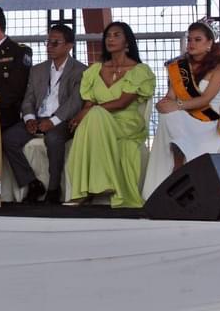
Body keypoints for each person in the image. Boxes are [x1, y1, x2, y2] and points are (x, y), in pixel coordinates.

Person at [65, 21, 155, 208]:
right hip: (96, 121)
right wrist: (86, 112)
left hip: (125, 121)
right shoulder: (94, 71)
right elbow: (88, 103)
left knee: (94, 115)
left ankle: (90, 189)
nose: (110, 39)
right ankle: (86, 189)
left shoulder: (139, 71)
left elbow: (123, 102)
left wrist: (88, 112)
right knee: (91, 120)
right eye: (108, 36)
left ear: (127, 41)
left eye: (116, 35)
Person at [2, 24, 87, 204]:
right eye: (48, 42)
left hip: (62, 120)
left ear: (69, 46)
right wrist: (29, 119)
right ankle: (32, 183)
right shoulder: (37, 70)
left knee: (53, 139)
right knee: (8, 138)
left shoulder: (80, 70)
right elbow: (28, 98)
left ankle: (54, 188)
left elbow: (75, 102)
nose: (49, 46)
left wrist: (53, 121)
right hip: (38, 118)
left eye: (55, 43)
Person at [143, 21, 220, 198]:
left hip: (207, 121)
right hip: (183, 119)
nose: (191, 43)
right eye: (189, 39)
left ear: (209, 43)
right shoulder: (180, 67)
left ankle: (179, 166)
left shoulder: (219, 69)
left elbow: (205, 100)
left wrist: (177, 105)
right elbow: (171, 96)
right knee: (167, 116)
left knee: (172, 115)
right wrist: (164, 103)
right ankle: (170, 172)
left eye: (197, 40)